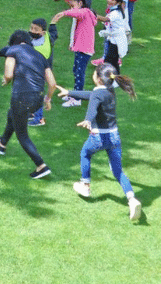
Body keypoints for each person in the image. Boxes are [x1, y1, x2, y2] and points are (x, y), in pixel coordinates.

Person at [59, 63, 142, 221]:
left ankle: (85, 184)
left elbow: (92, 108)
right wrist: (69, 92)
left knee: (85, 153)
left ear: (97, 78)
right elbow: (91, 95)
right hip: (114, 137)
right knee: (118, 171)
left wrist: (87, 120)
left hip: (99, 137)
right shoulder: (109, 90)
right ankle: (132, 199)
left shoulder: (98, 93)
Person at [0, 30, 57, 179]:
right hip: (37, 100)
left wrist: (7, 80)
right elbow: (52, 84)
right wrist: (48, 99)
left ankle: (41, 166)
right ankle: (2, 143)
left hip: (21, 97)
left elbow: (8, 73)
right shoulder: (40, 56)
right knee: (13, 115)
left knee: (23, 135)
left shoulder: (13, 50)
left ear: (14, 42)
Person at [51, 0, 97, 107]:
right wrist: (73, 44)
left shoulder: (85, 12)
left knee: (79, 73)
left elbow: (77, 13)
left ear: (80, 3)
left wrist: (64, 13)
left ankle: (77, 99)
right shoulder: (83, 14)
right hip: (80, 48)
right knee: (76, 71)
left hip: (84, 50)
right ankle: (74, 94)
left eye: (73, 4)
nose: (71, 7)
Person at [28, 18, 59, 126]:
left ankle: (39, 119)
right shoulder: (48, 36)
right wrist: (53, 23)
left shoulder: (37, 47)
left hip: (39, 73)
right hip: (42, 70)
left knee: (36, 94)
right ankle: (31, 113)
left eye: (36, 29)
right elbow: (54, 33)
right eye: (31, 28)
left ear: (43, 32)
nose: (32, 31)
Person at [97, 0, 129, 70]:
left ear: (118, 3)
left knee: (109, 61)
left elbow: (105, 19)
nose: (109, 1)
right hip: (113, 39)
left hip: (116, 41)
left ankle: (111, 77)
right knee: (113, 62)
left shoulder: (115, 13)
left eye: (113, 0)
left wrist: (92, 14)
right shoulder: (113, 10)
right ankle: (116, 78)